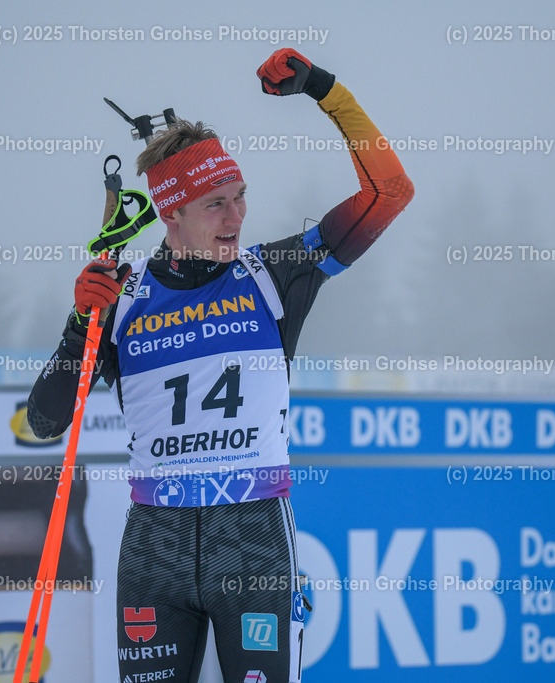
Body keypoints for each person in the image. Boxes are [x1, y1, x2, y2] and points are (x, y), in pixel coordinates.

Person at [28, 47, 413, 683]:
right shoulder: (123, 297)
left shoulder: (273, 275)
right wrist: (77, 330)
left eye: (240, 197)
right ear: (171, 213)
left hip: (253, 537)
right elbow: (45, 422)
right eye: (215, 204)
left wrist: (326, 91)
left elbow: (389, 192)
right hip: (155, 544)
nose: (237, 217)